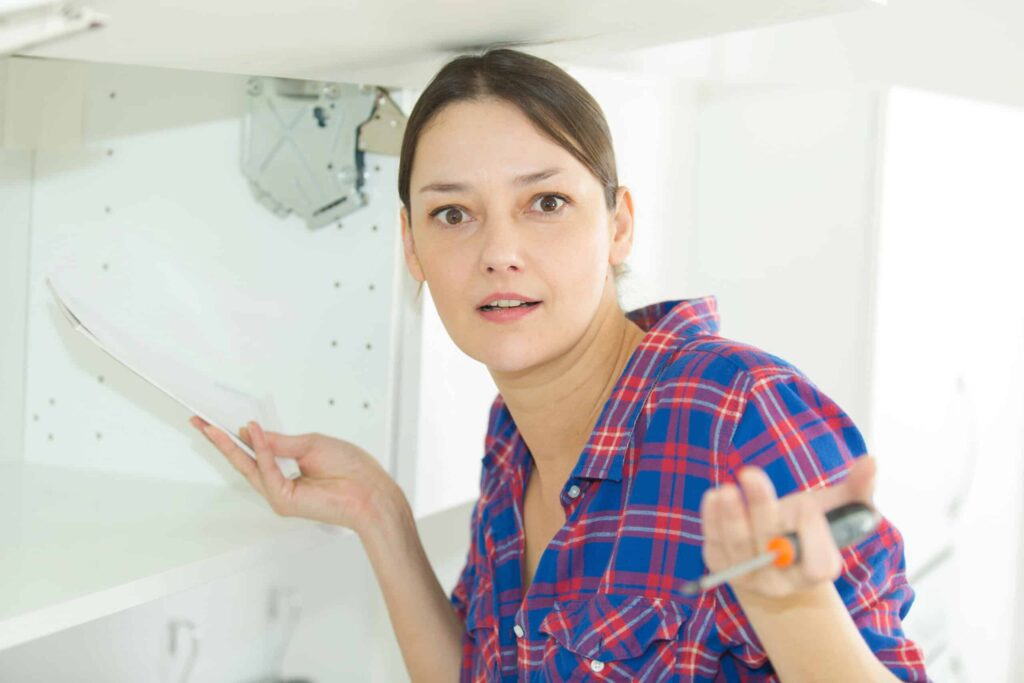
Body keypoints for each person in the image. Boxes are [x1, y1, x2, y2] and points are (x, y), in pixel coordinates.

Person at [191, 48, 929, 682]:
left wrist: (789, 601)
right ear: (412, 248)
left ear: (617, 225)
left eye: (545, 202)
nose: (498, 251)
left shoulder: (736, 411)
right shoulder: (515, 436)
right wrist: (379, 515)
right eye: (453, 214)